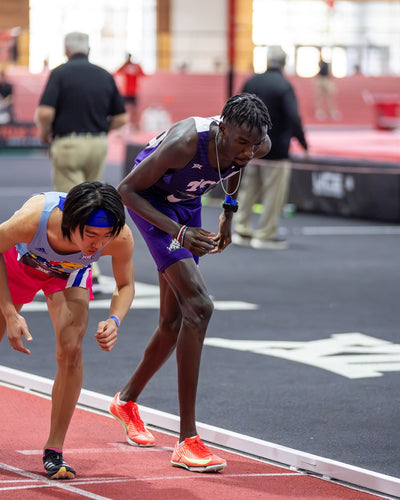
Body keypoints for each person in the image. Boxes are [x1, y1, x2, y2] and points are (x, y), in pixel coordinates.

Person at [109, 93, 272, 473]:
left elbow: (236, 166)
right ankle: (187, 441)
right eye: (241, 143)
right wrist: (179, 232)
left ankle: (125, 401)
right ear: (222, 129)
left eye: (254, 145)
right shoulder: (185, 142)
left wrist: (228, 212)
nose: (247, 152)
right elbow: (125, 191)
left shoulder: (255, 144)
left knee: (172, 322)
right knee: (199, 306)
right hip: (152, 204)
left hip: (187, 202)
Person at [0, 181, 135, 480]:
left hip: (66, 275)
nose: (97, 245)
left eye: (105, 237)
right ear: (71, 223)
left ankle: (54, 449)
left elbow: (125, 284)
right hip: (17, 265)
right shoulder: (34, 219)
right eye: (90, 235)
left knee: (72, 351)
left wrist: (114, 320)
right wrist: (10, 313)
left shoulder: (120, 236)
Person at [35, 32, 128, 289]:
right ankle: (90, 262)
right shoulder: (104, 75)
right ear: (89, 49)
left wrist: (44, 133)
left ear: (66, 50)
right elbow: (121, 118)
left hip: (69, 143)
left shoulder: (60, 74)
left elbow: (45, 113)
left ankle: (85, 267)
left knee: (72, 204)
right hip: (97, 144)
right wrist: (100, 130)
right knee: (94, 201)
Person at [233, 46, 309, 250]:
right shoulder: (284, 86)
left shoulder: (251, 81)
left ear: (267, 61)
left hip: (250, 149)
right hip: (276, 150)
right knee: (273, 195)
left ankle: (241, 229)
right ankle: (264, 235)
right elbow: (294, 117)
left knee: (248, 190)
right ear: (284, 63)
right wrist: (304, 144)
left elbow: (237, 111)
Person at [114, 52, 146, 130]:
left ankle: (135, 125)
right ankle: (126, 124)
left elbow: (143, 74)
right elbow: (117, 72)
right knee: (125, 109)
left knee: (134, 110)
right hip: (127, 92)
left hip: (133, 92)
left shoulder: (135, 66)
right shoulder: (125, 66)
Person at [314, 56, 339, 121]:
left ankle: (331, 111)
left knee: (329, 97)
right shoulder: (320, 63)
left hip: (327, 79)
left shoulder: (327, 64)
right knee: (320, 97)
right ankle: (319, 111)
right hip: (321, 79)